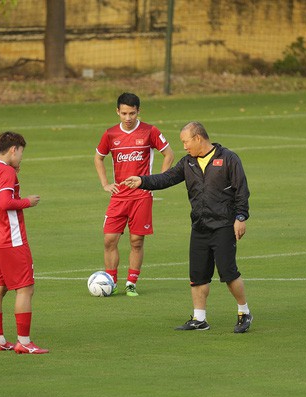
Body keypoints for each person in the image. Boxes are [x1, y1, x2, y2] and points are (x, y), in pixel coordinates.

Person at [122, 121, 252, 333]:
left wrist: (240, 216)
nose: (184, 146)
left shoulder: (228, 159)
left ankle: (244, 312)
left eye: (186, 141)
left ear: (198, 138)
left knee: (228, 273)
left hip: (223, 225)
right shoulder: (188, 163)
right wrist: (142, 181)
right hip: (199, 226)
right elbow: (167, 178)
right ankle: (199, 319)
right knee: (198, 275)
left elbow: (241, 191)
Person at [0, 131, 48, 354]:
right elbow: (6, 203)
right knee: (25, 289)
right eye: (21, 152)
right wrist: (28, 201)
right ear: (13, 149)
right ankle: (24, 343)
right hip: (12, 239)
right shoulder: (6, 172)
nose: (22, 157)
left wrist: (12, 174)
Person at [94, 92, 174, 296]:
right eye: (124, 113)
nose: (128, 118)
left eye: (132, 113)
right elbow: (98, 158)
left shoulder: (150, 131)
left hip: (141, 195)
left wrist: (157, 182)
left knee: (136, 241)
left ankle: (131, 283)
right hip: (119, 196)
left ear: (139, 111)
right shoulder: (110, 134)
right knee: (109, 240)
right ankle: (111, 281)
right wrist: (105, 184)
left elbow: (169, 154)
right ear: (117, 112)